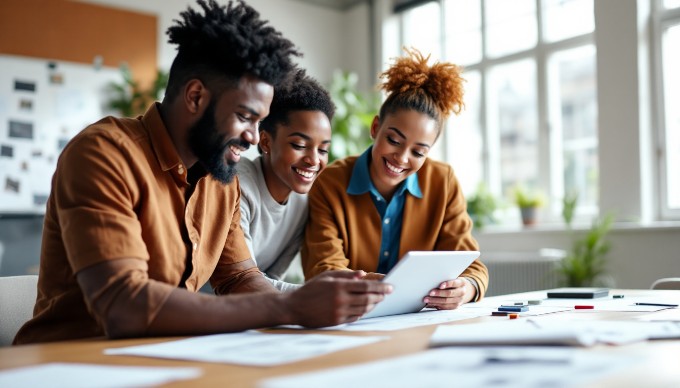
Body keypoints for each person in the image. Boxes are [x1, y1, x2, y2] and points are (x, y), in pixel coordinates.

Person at [13, 0, 390, 345]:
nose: (254, 137)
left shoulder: (219, 177)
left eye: (259, 122)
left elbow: (239, 278)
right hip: (68, 365)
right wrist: (291, 308)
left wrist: (334, 297)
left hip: (164, 362)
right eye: (245, 117)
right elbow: (123, 306)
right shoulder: (104, 153)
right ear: (195, 97)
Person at [301, 48, 488, 309]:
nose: (401, 158)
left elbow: (471, 265)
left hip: (418, 321)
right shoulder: (330, 182)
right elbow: (323, 267)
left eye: (418, 152)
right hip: (352, 318)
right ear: (375, 128)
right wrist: (378, 285)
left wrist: (466, 288)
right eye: (394, 140)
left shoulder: (443, 182)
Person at [237, 68, 333, 292]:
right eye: (299, 145)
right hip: (204, 316)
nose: (313, 160)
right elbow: (243, 283)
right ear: (266, 142)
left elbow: (272, 279)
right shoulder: (237, 185)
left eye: (323, 149)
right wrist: (324, 292)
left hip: (253, 317)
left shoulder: (303, 204)